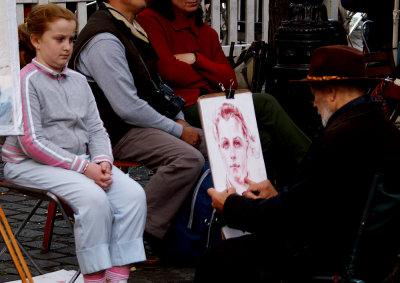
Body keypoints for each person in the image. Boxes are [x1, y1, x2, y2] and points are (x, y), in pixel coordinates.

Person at [195, 45, 400, 282]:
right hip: (370, 258)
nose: (313, 104)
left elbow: (289, 219)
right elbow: (320, 201)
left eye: (315, 94)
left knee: (218, 259)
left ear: (331, 92)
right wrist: (277, 196)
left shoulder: (339, 139)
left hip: (330, 258)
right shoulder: (386, 131)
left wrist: (231, 205)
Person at [1, 4, 146, 283]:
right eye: (59, 39)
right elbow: (31, 142)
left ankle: (117, 276)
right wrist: (84, 167)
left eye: (71, 39)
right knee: (92, 199)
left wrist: (103, 160)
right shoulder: (26, 82)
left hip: (79, 161)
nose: (67, 46)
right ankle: (94, 276)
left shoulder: (79, 80)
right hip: (27, 164)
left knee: (133, 195)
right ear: (36, 41)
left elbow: (96, 128)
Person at [70, 0, 207, 249]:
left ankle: (202, 228)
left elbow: (157, 89)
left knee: (215, 145)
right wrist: (178, 130)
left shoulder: (130, 27)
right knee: (187, 158)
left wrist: (178, 119)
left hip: (137, 124)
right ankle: (135, 233)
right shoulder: (104, 38)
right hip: (113, 133)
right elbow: (127, 107)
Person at [136, 0, 312, 188]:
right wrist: (209, 77)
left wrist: (197, 60)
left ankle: (253, 198)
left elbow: (230, 82)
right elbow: (168, 71)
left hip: (214, 102)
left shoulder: (206, 33)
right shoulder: (150, 19)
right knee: (266, 103)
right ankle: (320, 165)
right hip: (181, 108)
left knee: (264, 138)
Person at [213, 102, 262, 194]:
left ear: (246, 144)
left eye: (237, 143)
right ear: (219, 148)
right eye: (225, 144)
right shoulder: (215, 190)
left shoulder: (260, 181)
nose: (232, 155)